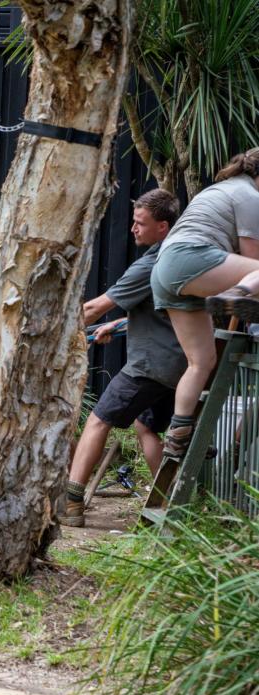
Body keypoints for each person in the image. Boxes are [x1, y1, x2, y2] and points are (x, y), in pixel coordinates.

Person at [61, 189, 184, 526]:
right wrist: (115, 325)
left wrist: (51, 333)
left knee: (98, 420)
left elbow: (92, 308)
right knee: (146, 427)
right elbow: (164, 311)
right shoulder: (180, 256)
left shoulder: (148, 264)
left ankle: (71, 503)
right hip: (182, 366)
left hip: (150, 366)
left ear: (163, 226)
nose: (133, 229)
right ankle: (171, 505)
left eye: (140, 223)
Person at [151, 147, 259, 458]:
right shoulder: (249, 196)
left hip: (165, 271)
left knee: (201, 362)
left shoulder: (221, 188)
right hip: (190, 259)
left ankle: (179, 435)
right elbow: (252, 259)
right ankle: (236, 294)